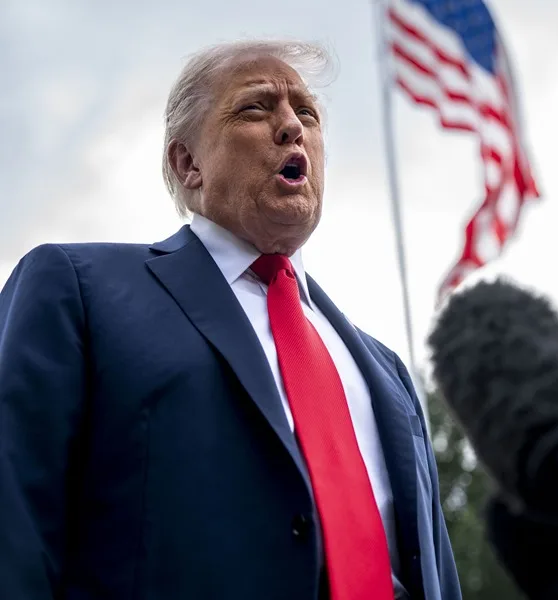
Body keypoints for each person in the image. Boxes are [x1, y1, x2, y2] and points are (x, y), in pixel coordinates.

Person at [0, 39, 461, 600]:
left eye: (307, 113)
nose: (292, 126)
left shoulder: (387, 372)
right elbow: (15, 518)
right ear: (187, 163)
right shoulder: (78, 288)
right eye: (255, 108)